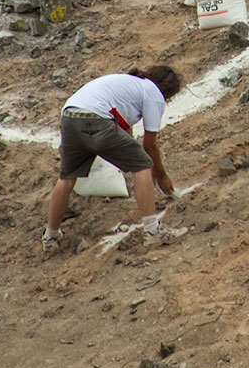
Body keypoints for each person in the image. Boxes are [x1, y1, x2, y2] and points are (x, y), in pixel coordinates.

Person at [43, 66, 184, 253]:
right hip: (95, 119)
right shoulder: (153, 93)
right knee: (143, 166)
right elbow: (149, 145)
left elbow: (124, 133)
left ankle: (50, 236)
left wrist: (127, 158)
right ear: (168, 92)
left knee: (67, 179)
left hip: (69, 117)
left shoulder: (128, 84)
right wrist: (161, 175)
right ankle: (152, 232)